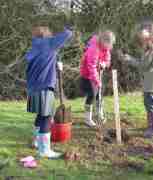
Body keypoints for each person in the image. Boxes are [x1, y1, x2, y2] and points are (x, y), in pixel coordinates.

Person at [25, 25, 73, 158]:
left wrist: (54, 63)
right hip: (44, 86)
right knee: (46, 117)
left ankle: (36, 142)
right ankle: (44, 150)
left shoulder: (34, 48)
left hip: (33, 88)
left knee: (41, 115)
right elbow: (67, 35)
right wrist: (68, 28)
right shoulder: (49, 43)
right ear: (47, 36)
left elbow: (41, 61)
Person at [123, 20, 153, 138]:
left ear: (150, 37)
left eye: (143, 38)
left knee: (149, 104)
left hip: (151, 82)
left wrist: (129, 59)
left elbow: (143, 65)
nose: (142, 40)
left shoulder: (152, 52)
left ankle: (151, 129)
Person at [80, 30, 116, 127]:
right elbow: (91, 67)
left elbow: (108, 59)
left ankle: (99, 114)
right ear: (103, 41)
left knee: (99, 95)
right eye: (109, 44)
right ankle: (88, 118)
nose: (110, 46)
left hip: (97, 73)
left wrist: (104, 63)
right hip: (88, 75)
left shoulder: (106, 47)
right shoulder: (93, 49)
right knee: (92, 95)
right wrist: (97, 81)